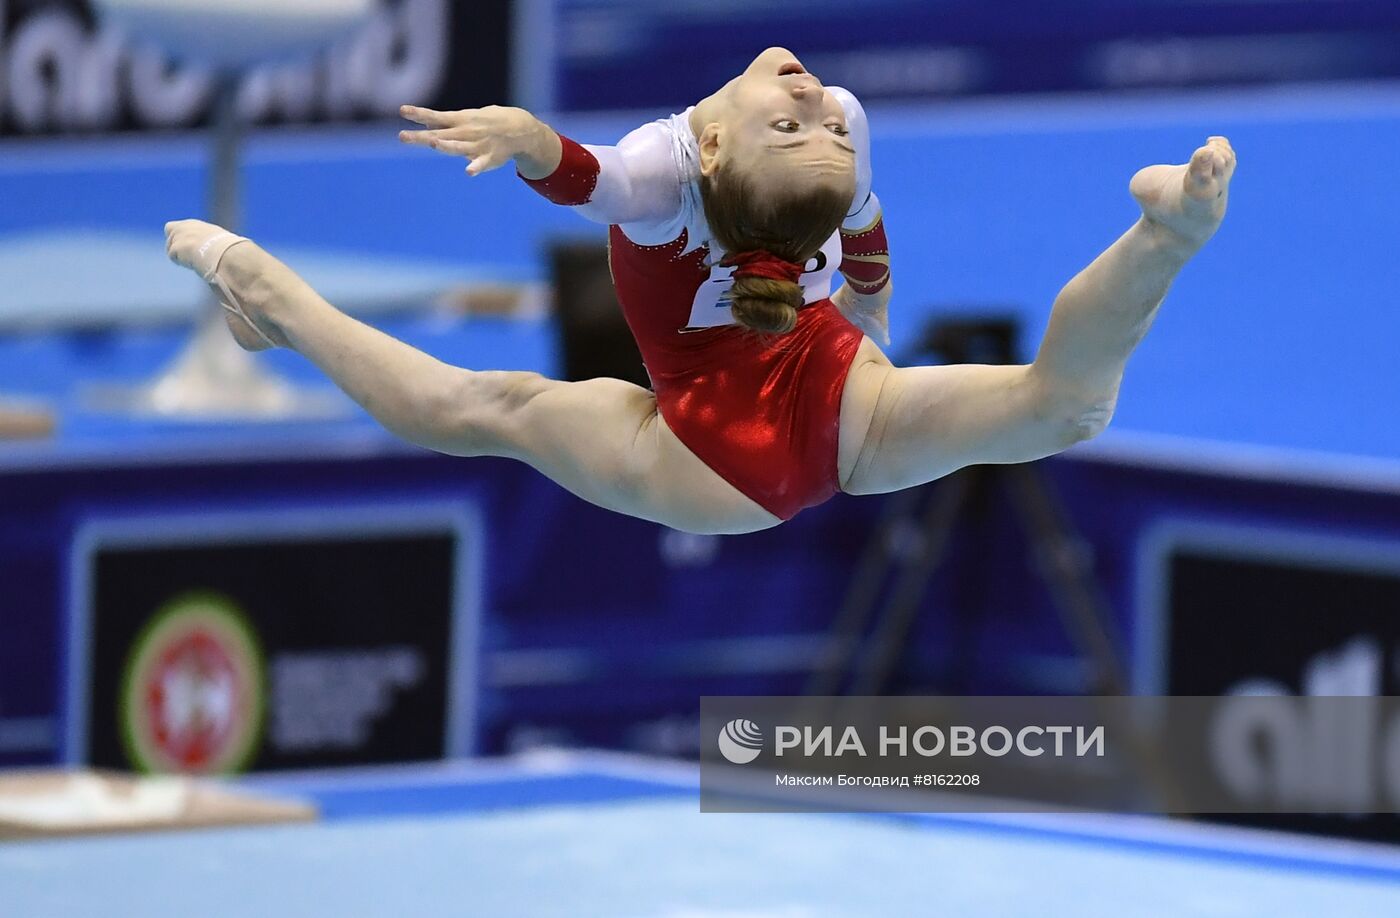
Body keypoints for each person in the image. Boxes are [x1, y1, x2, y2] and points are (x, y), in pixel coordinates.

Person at [165, 47, 1236, 535]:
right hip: (810, 421)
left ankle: (264, 292)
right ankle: (1165, 235)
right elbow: (854, 227)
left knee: (484, 409)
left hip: (745, 447)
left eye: (805, 117)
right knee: (1064, 407)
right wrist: (866, 309)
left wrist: (520, 133)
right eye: (804, 118)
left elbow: (578, 172)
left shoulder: (694, 171)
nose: (813, 99)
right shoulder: (749, 159)